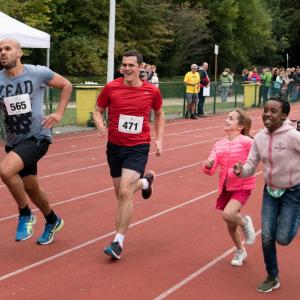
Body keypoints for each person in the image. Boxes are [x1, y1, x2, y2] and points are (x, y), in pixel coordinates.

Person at [93, 50, 165, 260]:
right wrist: (100, 124)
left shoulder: (151, 91)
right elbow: (98, 109)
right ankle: (145, 183)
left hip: (138, 146)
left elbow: (160, 115)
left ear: (141, 67)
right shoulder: (111, 87)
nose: (126, 69)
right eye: (124, 65)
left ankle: (117, 243)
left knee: (125, 193)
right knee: (121, 194)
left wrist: (159, 139)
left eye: (131, 65)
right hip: (115, 147)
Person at [0, 38, 72, 244]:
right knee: (31, 188)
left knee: (5, 170)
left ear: (19, 53)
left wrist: (58, 113)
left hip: (38, 136)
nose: (3, 53)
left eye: (7, 48)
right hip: (14, 140)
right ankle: (52, 220)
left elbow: (66, 85)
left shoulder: (37, 72)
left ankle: (25, 214)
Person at [233, 97, 300, 293]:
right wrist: (240, 170)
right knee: (267, 236)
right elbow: (250, 166)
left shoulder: (293, 136)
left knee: (283, 238)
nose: (268, 114)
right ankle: (272, 276)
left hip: (293, 191)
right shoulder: (260, 138)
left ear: (284, 115)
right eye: (265, 110)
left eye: (273, 111)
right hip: (270, 191)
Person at [202, 109, 256, 266]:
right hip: (226, 188)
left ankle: (245, 222)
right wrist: (208, 165)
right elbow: (210, 170)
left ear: (240, 126)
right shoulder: (219, 145)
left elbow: (258, 154)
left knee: (228, 214)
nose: (227, 120)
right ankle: (240, 250)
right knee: (231, 225)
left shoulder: (247, 141)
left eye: (231, 118)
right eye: (227, 117)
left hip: (242, 186)